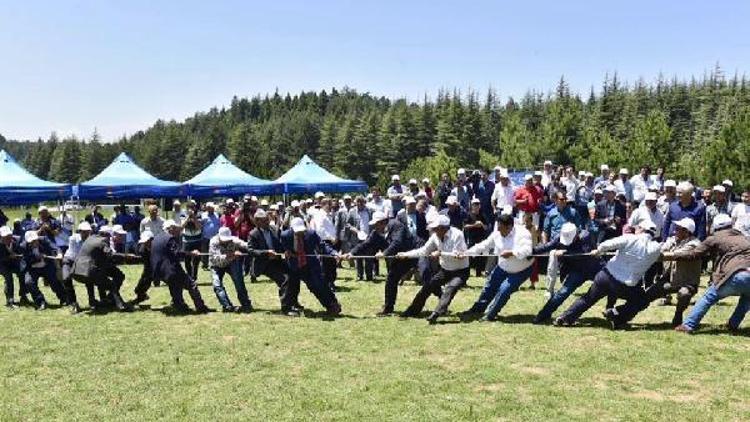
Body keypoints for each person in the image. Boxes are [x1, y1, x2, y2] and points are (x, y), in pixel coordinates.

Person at [554, 221, 662, 328]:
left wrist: (599, 250)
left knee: (588, 299)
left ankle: (565, 318)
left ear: (641, 229)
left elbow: (608, 244)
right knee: (642, 300)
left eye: (637, 228)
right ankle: (616, 314)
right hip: (625, 286)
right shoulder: (656, 248)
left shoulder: (630, 238)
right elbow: (662, 250)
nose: (635, 229)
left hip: (605, 276)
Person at [606, 218, 701, 328]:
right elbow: (661, 249)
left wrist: (655, 254)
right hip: (669, 279)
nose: (675, 231)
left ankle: (678, 316)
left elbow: (676, 254)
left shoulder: (695, 244)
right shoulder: (672, 240)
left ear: (686, 231)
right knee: (645, 297)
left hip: (687, 282)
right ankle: (619, 315)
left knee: (684, 294)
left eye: (678, 229)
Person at [667, 214, 750, 333]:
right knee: (747, 298)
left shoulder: (714, 238)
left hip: (737, 273)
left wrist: (674, 255)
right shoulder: (744, 237)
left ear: (715, 226)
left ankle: (688, 325)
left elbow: (694, 254)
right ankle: (733, 324)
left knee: (708, 297)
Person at [398, 215, 470, 324]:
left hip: (461, 271)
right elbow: (423, 251)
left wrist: (441, 253)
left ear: (444, 228)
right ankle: (412, 311)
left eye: (436, 228)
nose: (434, 231)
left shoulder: (458, 235)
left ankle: (436, 313)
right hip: (445, 270)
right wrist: (406, 255)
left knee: (450, 289)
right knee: (427, 287)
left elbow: (457, 254)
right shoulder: (435, 236)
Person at [461, 213, 533, 321]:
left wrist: (512, 253)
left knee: (504, 290)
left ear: (509, 227)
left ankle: (490, 314)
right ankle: (478, 309)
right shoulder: (497, 233)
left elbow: (528, 250)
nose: (498, 230)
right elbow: (484, 245)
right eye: (498, 227)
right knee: (489, 287)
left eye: (501, 228)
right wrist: (466, 253)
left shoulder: (523, 233)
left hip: (521, 270)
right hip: (503, 266)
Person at [344, 211, 416, 315]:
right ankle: (388, 308)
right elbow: (365, 244)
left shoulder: (396, 225)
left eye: (376, 224)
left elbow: (397, 242)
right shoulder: (375, 233)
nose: (374, 226)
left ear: (383, 222)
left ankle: (441, 296)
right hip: (400, 258)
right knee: (391, 280)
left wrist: (384, 253)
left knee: (426, 276)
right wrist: (351, 253)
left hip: (414, 252)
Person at [531, 223, 603, 324]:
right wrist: (531, 252)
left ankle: (614, 311)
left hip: (594, 268)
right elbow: (548, 246)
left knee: (610, 286)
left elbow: (583, 254)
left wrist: (565, 252)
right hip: (577, 271)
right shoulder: (560, 237)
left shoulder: (585, 235)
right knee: (562, 293)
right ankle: (542, 315)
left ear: (576, 235)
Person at [280, 217, 342, 316]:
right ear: (291, 229)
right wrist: (286, 251)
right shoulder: (285, 235)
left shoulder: (311, 234)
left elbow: (322, 245)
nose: (300, 233)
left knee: (318, 285)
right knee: (290, 286)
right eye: (297, 232)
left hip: (309, 265)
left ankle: (332, 305)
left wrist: (334, 253)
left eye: (302, 231)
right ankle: (287, 308)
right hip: (293, 265)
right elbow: (282, 247)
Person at [151, 220, 210, 313]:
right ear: (171, 228)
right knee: (191, 285)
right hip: (171, 270)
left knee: (175, 286)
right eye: (176, 229)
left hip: (160, 272)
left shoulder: (156, 238)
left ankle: (179, 305)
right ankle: (201, 307)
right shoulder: (170, 238)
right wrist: (191, 253)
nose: (177, 231)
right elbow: (177, 253)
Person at [210, 226, 274, 313]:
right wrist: (231, 255)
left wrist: (259, 251)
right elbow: (216, 258)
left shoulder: (234, 240)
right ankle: (227, 306)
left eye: (227, 240)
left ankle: (246, 304)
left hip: (231, 263)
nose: (226, 241)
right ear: (219, 237)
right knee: (217, 285)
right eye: (224, 240)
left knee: (239, 282)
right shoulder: (213, 242)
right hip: (216, 265)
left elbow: (246, 245)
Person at [249, 209, 299, 316]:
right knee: (285, 279)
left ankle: (294, 302)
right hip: (265, 264)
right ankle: (286, 308)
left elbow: (280, 244)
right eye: (264, 221)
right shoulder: (253, 234)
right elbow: (251, 251)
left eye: (267, 219)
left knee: (294, 275)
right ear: (257, 221)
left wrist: (287, 251)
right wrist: (266, 253)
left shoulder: (273, 229)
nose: (267, 222)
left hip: (278, 260)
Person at [71, 224, 131, 312]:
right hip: (89, 271)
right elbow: (110, 254)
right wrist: (126, 256)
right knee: (111, 285)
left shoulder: (90, 238)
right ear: (107, 235)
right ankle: (121, 306)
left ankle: (97, 301)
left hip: (76, 271)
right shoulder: (103, 240)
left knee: (97, 280)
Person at [20, 230, 65, 310]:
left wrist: (59, 254)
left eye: (35, 240)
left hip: (46, 266)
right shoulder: (23, 246)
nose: (34, 242)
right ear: (28, 242)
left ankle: (64, 298)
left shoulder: (44, 239)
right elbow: (27, 260)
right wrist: (37, 257)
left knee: (54, 281)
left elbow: (55, 246)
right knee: (29, 282)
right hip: (32, 268)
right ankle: (40, 302)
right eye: (32, 241)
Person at [60, 222, 93, 313]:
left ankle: (92, 300)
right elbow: (75, 254)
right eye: (84, 232)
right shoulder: (73, 239)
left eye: (88, 232)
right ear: (80, 231)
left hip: (82, 261)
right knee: (66, 279)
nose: (86, 234)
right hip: (70, 261)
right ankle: (73, 303)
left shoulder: (90, 240)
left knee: (89, 278)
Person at [309, 197, 339, 291]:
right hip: (325, 241)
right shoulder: (319, 215)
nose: (331, 206)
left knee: (332, 263)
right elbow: (320, 230)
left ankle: (331, 282)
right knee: (326, 264)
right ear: (323, 205)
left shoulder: (328, 215)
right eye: (329, 204)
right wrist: (331, 238)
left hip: (331, 241)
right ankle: (327, 283)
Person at [0, 226, 27, 308]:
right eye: (5, 237)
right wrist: (8, 257)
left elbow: (23, 252)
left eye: (9, 236)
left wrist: (18, 255)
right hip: (2, 264)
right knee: (9, 278)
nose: (8, 238)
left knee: (23, 274)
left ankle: (23, 296)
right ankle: (10, 301)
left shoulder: (18, 239)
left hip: (15, 262)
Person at [463, 198, 488, 277]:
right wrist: (474, 225)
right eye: (474, 204)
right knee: (469, 256)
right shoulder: (468, 214)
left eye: (477, 204)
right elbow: (465, 226)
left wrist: (482, 225)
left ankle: (478, 273)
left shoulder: (482, 215)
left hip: (480, 239)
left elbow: (487, 227)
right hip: (471, 238)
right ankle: (467, 273)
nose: (476, 206)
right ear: (472, 205)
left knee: (480, 257)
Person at [132, 230, 155, 305]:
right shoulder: (142, 250)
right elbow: (146, 265)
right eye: (144, 242)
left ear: (152, 239)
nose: (146, 243)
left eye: (148, 241)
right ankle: (141, 296)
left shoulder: (157, 247)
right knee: (140, 286)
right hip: (149, 268)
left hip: (161, 266)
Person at [181, 207, 203, 281]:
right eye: (189, 208)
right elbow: (182, 226)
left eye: (193, 207)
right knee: (187, 260)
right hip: (186, 241)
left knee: (196, 260)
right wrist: (188, 217)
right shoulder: (183, 214)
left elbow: (199, 227)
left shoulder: (199, 214)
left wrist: (194, 217)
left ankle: (194, 277)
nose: (191, 210)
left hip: (197, 240)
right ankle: (190, 276)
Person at [200, 202, 221, 269]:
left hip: (215, 237)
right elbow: (201, 225)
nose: (211, 209)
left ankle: (214, 264)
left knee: (214, 251)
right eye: (209, 208)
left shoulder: (217, 214)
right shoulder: (203, 215)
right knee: (205, 251)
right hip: (206, 236)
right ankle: (205, 265)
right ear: (207, 208)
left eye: (212, 208)